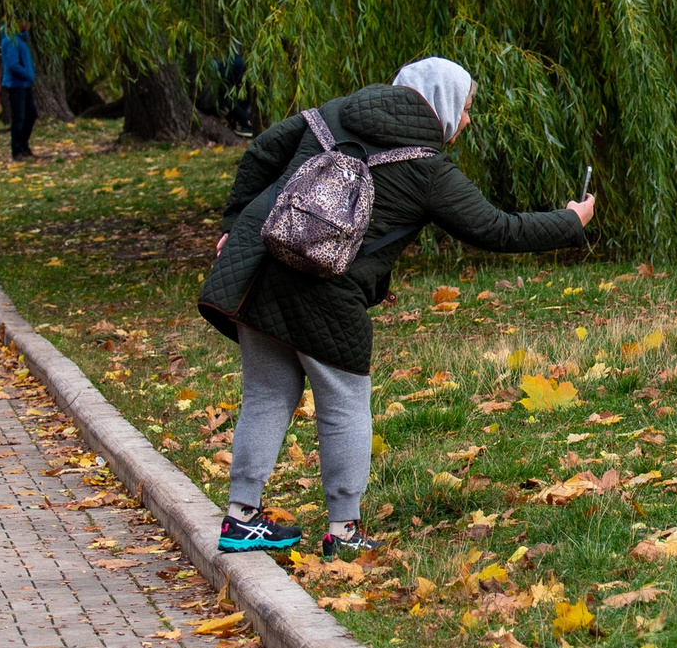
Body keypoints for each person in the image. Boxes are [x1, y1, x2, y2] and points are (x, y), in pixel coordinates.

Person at [199, 57, 596, 558]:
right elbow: (497, 230)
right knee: (344, 404)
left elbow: (259, 152)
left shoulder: (333, 113)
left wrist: (233, 224)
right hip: (325, 288)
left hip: (259, 262)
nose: (468, 120)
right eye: (467, 108)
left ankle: (241, 518)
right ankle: (344, 533)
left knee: (266, 394)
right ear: (442, 102)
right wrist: (571, 220)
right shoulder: (427, 170)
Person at [0, 25, 37, 159]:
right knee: (19, 117)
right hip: (16, 84)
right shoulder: (10, 40)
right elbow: (13, 65)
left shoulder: (21, 40)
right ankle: (17, 150)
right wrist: (28, 74)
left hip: (25, 84)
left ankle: (24, 146)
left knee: (31, 114)